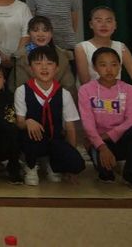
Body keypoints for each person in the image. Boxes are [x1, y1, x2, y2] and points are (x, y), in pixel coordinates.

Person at [78, 47, 132, 191]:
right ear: (95, 68)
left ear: (119, 66)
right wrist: (102, 146)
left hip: (119, 139)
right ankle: (105, 167)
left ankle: (130, 172)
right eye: (103, 65)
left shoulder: (129, 90)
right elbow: (88, 124)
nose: (109, 69)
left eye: (114, 64)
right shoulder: (85, 90)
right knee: (107, 177)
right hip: (98, 143)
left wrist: (108, 135)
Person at [14, 45, 85, 186]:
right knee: (29, 135)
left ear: (57, 68)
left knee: (77, 163)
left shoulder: (64, 94)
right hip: (31, 140)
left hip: (54, 140)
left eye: (49, 63)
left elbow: (70, 127)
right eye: (38, 63)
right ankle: (30, 166)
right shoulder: (22, 90)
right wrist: (28, 122)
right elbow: (20, 122)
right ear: (30, 68)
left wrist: (70, 154)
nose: (44, 68)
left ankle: (52, 164)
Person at [74, 6, 132, 106]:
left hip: (117, 100)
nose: (104, 25)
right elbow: (85, 82)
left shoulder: (121, 47)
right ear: (91, 24)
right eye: (99, 21)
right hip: (92, 102)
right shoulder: (82, 47)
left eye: (108, 21)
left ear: (115, 25)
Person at [12, 16, 74, 92]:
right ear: (29, 33)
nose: (40, 34)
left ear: (51, 33)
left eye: (45, 30)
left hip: (58, 97)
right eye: (35, 30)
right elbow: (20, 88)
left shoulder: (62, 56)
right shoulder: (20, 56)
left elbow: (69, 86)